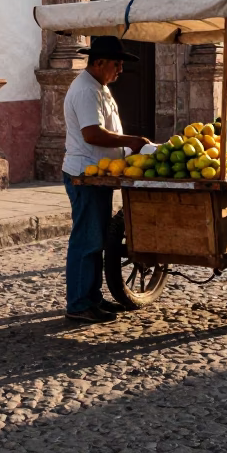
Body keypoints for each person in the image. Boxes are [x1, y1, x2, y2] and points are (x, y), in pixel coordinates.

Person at [62, 36, 151, 324]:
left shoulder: (99, 87)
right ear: (98, 62)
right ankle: (78, 303)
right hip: (84, 173)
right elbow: (93, 134)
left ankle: (91, 297)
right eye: (116, 63)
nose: (120, 70)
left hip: (98, 173)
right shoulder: (86, 90)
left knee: (95, 238)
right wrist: (133, 141)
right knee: (87, 239)